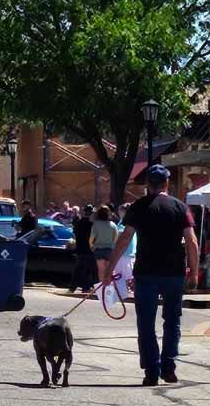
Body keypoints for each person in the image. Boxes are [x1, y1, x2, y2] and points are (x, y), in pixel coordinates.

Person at [105, 165, 198, 387]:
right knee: (172, 320)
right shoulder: (180, 207)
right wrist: (193, 272)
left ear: (148, 184)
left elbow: (124, 239)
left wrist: (109, 270)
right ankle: (169, 366)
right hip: (174, 273)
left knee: (146, 323)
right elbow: (192, 241)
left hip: (146, 272)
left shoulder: (138, 206)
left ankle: (151, 370)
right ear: (167, 183)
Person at [69, 205, 96, 293]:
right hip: (90, 249)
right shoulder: (93, 224)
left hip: (80, 248)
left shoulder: (78, 223)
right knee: (88, 269)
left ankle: (72, 287)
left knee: (78, 268)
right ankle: (86, 287)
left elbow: (75, 234)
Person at [90, 205, 119, 286]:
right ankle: (110, 287)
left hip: (98, 249)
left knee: (101, 270)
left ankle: (102, 287)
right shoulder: (113, 225)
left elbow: (91, 238)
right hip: (109, 249)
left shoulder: (96, 224)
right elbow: (116, 238)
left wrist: (91, 246)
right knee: (109, 270)